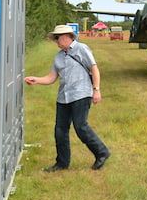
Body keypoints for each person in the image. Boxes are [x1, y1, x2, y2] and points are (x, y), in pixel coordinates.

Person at [25, 24, 110, 172]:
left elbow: (94, 68)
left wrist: (96, 90)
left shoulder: (81, 49)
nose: (56, 41)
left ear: (66, 37)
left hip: (81, 93)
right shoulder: (58, 56)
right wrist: (36, 80)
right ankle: (62, 163)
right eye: (55, 38)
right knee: (60, 130)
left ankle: (102, 152)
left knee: (80, 126)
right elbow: (51, 77)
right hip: (63, 97)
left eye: (57, 38)